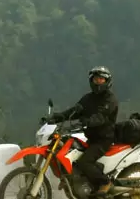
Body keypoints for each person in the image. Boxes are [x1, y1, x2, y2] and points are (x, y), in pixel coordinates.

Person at [42, 66, 119, 196]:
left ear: (107, 81)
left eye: (101, 79)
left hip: (103, 139)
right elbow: (74, 111)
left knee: (85, 162)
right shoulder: (88, 98)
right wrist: (57, 117)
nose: (98, 82)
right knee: (70, 152)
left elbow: (100, 117)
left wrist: (86, 121)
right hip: (92, 138)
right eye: (96, 79)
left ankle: (105, 182)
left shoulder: (109, 99)